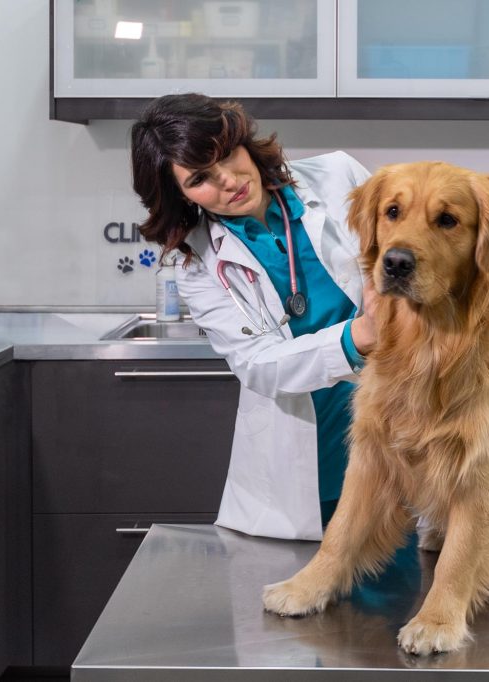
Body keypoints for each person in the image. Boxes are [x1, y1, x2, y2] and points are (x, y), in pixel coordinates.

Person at [130, 93, 376, 541]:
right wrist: (356, 338)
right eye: (200, 178)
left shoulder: (338, 176)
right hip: (312, 455)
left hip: (404, 430)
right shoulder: (200, 266)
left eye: (226, 154)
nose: (228, 180)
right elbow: (258, 364)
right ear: (180, 196)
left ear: (242, 140)